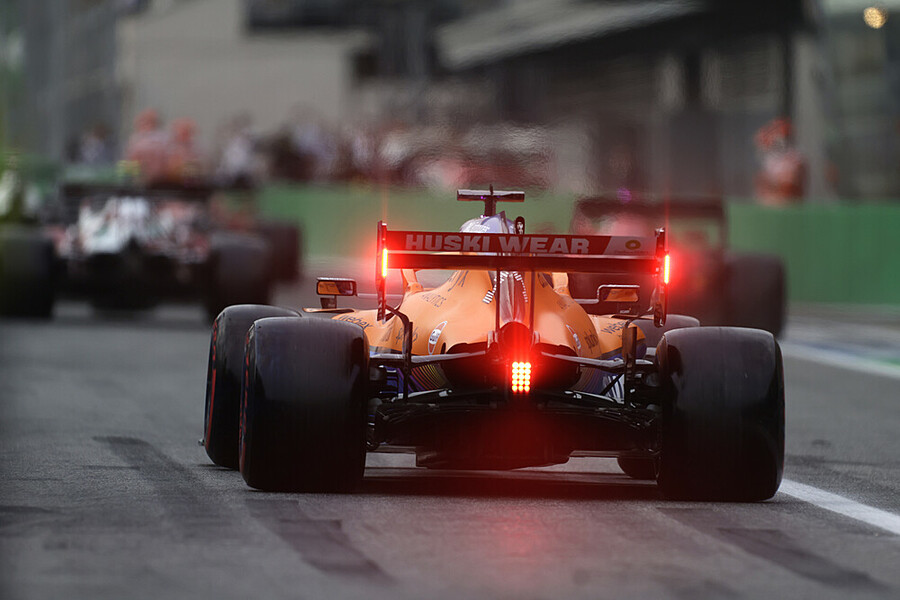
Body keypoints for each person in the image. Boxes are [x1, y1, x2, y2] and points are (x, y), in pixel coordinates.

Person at [124, 108, 168, 183]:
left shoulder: (162, 138)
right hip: (139, 178)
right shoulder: (135, 138)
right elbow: (129, 160)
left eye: (148, 120)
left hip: (159, 179)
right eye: (143, 119)